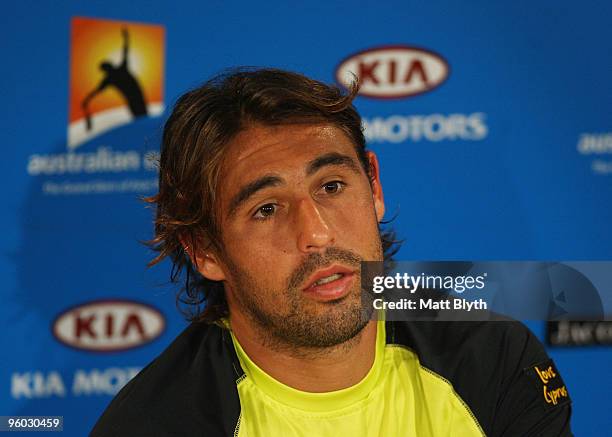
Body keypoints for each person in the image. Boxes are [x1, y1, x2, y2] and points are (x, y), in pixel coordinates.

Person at [91, 68, 572, 436]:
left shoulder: (493, 359)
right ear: (203, 250)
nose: (317, 234)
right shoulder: (156, 423)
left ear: (374, 186)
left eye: (332, 186)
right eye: (266, 209)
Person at [82, 28, 148, 130]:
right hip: (132, 99)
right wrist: (87, 99)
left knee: (143, 119)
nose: (109, 67)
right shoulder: (109, 79)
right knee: (140, 120)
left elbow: (125, 50)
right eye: (107, 67)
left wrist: (126, 38)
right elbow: (96, 91)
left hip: (137, 95)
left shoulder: (120, 69)